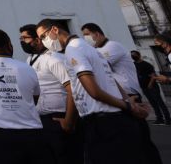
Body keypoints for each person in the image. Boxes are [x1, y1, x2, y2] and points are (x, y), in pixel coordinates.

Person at [36, 19, 149, 164]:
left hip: (103, 125)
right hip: (118, 120)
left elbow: (93, 91)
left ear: (55, 30)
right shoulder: (90, 48)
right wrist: (129, 103)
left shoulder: (73, 50)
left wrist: (129, 106)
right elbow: (111, 80)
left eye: (43, 37)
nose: (43, 42)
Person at [81, 22, 160, 163]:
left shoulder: (112, 47)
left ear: (97, 34)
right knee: (129, 144)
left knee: (140, 142)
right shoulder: (96, 51)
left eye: (87, 35)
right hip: (119, 99)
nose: (85, 38)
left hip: (130, 97)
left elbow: (96, 67)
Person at [0, 29, 50, 164]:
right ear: (9, 45)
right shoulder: (27, 68)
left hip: (1, 133)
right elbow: (34, 97)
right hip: (32, 132)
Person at [19, 24, 82, 164]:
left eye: (25, 38)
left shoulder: (54, 58)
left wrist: (68, 121)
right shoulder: (30, 60)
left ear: (37, 40)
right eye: (20, 38)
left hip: (59, 118)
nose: (22, 41)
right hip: (41, 120)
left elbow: (73, 88)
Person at [132, 50, 170, 125]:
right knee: (153, 104)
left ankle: (168, 119)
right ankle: (159, 119)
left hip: (152, 87)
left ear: (139, 55)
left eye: (134, 54)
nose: (133, 56)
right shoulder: (133, 65)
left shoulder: (147, 64)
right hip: (144, 87)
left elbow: (153, 75)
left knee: (160, 103)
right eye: (132, 55)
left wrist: (150, 84)